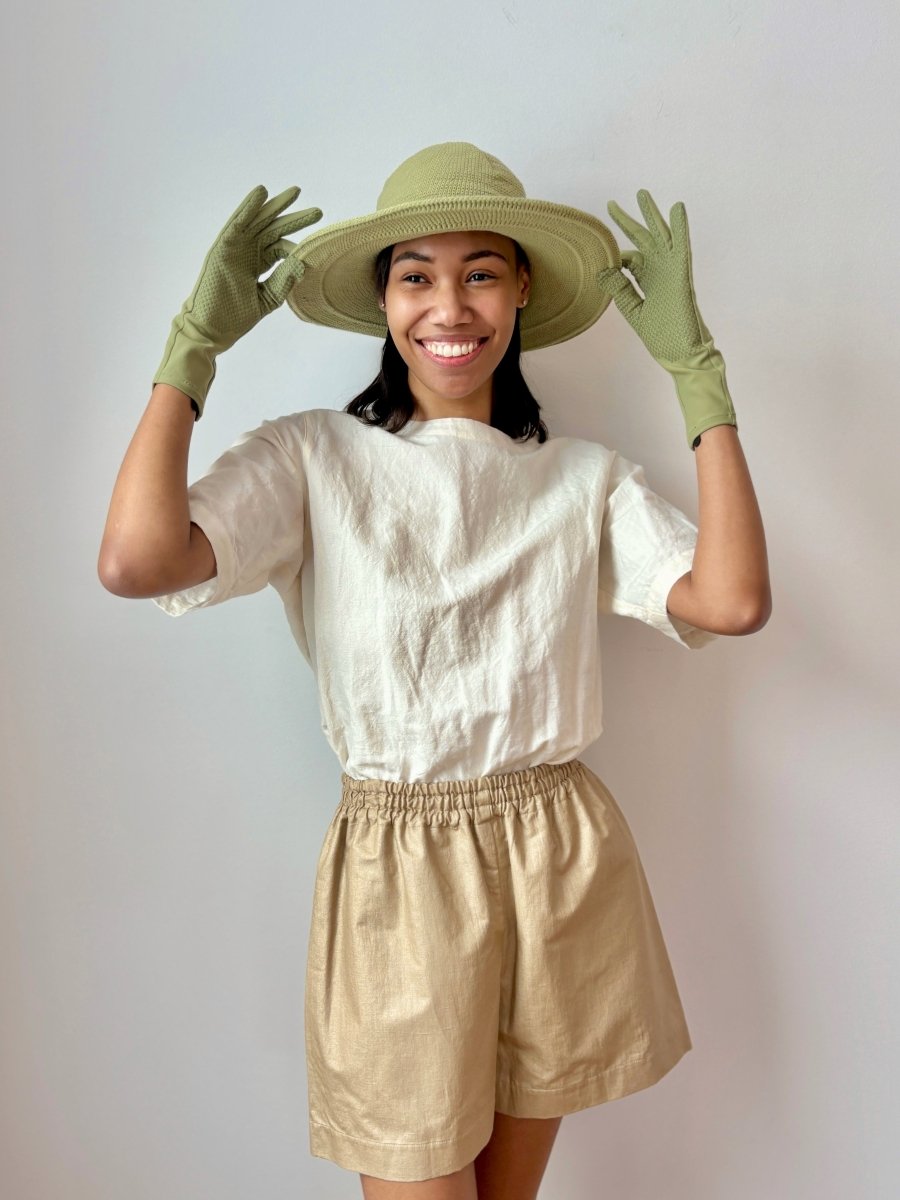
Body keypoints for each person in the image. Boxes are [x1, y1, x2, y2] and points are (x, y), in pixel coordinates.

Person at [98, 142, 771, 1199]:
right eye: (416, 273)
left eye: (481, 272)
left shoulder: (580, 480)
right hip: (396, 876)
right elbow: (138, 562)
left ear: (520, 293)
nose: (449, 306)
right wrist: (193, 352)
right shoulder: (315, 458)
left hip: (558, 855)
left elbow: (731, 600)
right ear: (382, 298)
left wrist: (699, 378)